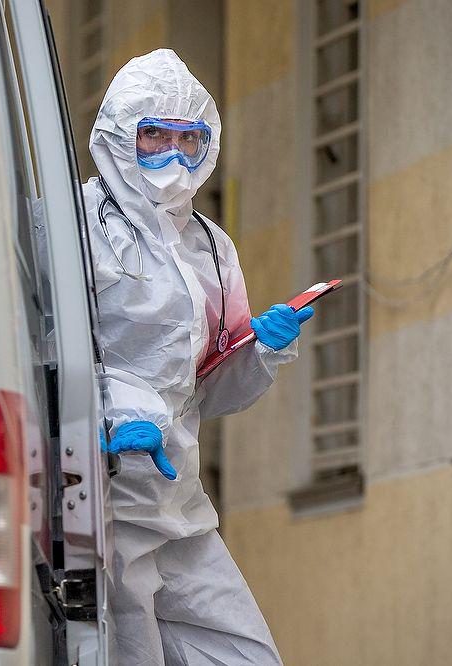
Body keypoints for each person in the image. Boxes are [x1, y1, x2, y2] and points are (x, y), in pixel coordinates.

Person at [85, 49, 312, 665]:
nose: (173, 157)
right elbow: (43, 351)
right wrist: (112, 413)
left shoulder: (210, 246)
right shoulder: (75, 227)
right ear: (119, 137)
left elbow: (209, 388)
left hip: (178, 496)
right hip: (103, 496)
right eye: (154, 136)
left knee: (243, 653)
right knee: (130, 653)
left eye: (189, 140)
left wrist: (261, 351)